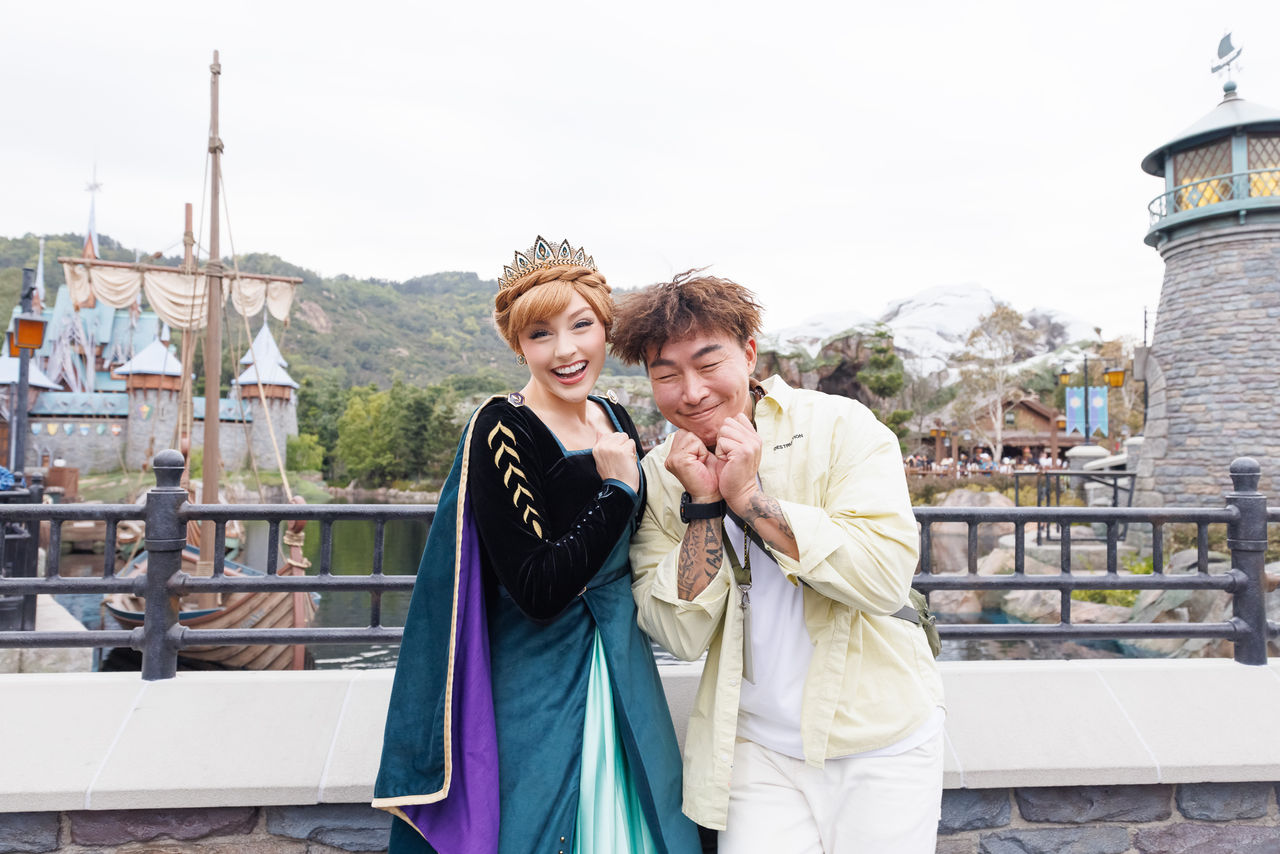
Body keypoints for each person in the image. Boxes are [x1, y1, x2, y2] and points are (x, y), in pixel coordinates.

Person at [373, 238, 701, 854]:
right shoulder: (502, 427)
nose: (565, 350)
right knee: (538, 828)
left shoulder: (614, 416)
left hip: (623, 661)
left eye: (581, 325)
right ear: (518, 345)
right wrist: (615, 491)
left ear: (605, 328)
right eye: (540, 334)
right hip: (539, 679)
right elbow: (537, 590)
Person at [610, 271, 945, 854]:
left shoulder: (839, 426)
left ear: (748, 354)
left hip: (880, 739)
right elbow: (679, 635)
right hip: (751, 748)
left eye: (708, 363)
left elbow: (883, 578)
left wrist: (748, 499)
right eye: (667, 374)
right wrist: (705, 506)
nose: (691, 392)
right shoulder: (661, 475)